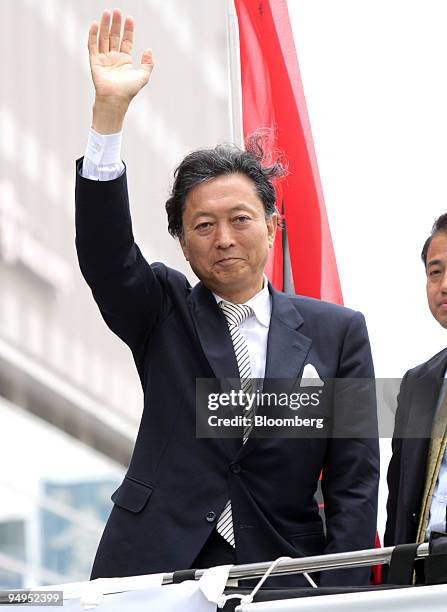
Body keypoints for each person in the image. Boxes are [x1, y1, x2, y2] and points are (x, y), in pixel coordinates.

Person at [76, 8, 379, 586]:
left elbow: (354, 478)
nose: (224, 239)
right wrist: (107, 119)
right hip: (155, 565)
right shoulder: (163, 310)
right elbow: (105, 256)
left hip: (284, 572)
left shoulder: (339, 333)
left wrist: (341, 591)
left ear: (271, 225)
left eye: (240, 219)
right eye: (203, 225)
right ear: (183, 242)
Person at [385, 213, 447, 548]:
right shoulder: (418, 383)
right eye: (435, 272)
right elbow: (399, 504)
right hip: (424, 576)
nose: (444, 285)